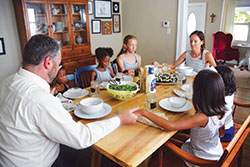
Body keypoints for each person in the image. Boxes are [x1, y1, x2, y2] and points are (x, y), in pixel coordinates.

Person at [0, 34, 138, 166]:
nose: (59, 67)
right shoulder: (39, 99)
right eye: (58, 64)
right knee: (91, 151)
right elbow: (82, 137)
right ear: (48, 62)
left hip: (11, 159)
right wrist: (120, 119)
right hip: (40, 162)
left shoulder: (7, 82)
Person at [135, 70, 226, 166]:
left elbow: (170, 126)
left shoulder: (201, 118)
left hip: (201, 158)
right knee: (172, 138)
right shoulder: (221, 110)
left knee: (160, 145)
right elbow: (221, 133)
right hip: (214, 152)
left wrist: (144, 113)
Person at [152, 30, 217, 72]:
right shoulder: (187, 54)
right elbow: (173, 65)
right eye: (191, 41)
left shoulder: (207, 55)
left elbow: (215, 71)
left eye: (195, 41)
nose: (192, 44)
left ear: (202, 42)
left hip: (200, 82)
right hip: (188, 81)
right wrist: (159, 65)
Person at [216, 65, 237, 142]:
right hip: (229, 127)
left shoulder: (221, 100)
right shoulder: (229, 93)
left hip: (223, 133)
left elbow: (211, 121)